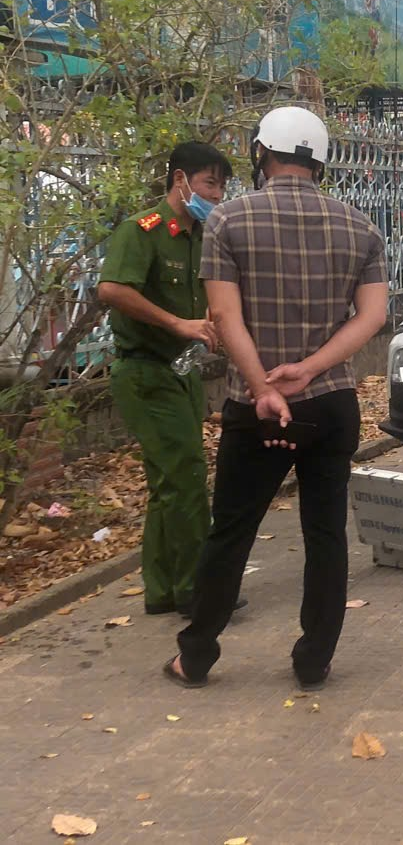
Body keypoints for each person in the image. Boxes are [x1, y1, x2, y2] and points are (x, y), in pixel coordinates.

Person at [166, 107, 388, 689]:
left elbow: (222, 315)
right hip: (332, 403)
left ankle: (196, 656)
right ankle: (314, 660)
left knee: (232, 531)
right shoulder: (361, 227)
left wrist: (264, 386)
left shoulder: (227, 222)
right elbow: (372, 318)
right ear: (318, 161)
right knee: (325, 533)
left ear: (261, 153)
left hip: (257, 406)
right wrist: (309, 369)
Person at [98, 142, 233, 618]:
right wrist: (176, 324)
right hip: (146, 372)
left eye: (220, 185)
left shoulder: (200, 235)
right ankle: (199, 592)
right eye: (209, 183)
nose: (215, 194)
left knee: (168, 483)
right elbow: (111, 289)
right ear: (180, 180)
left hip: (182, 372)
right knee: (188, 479)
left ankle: (162, 590)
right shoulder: (145, 230)